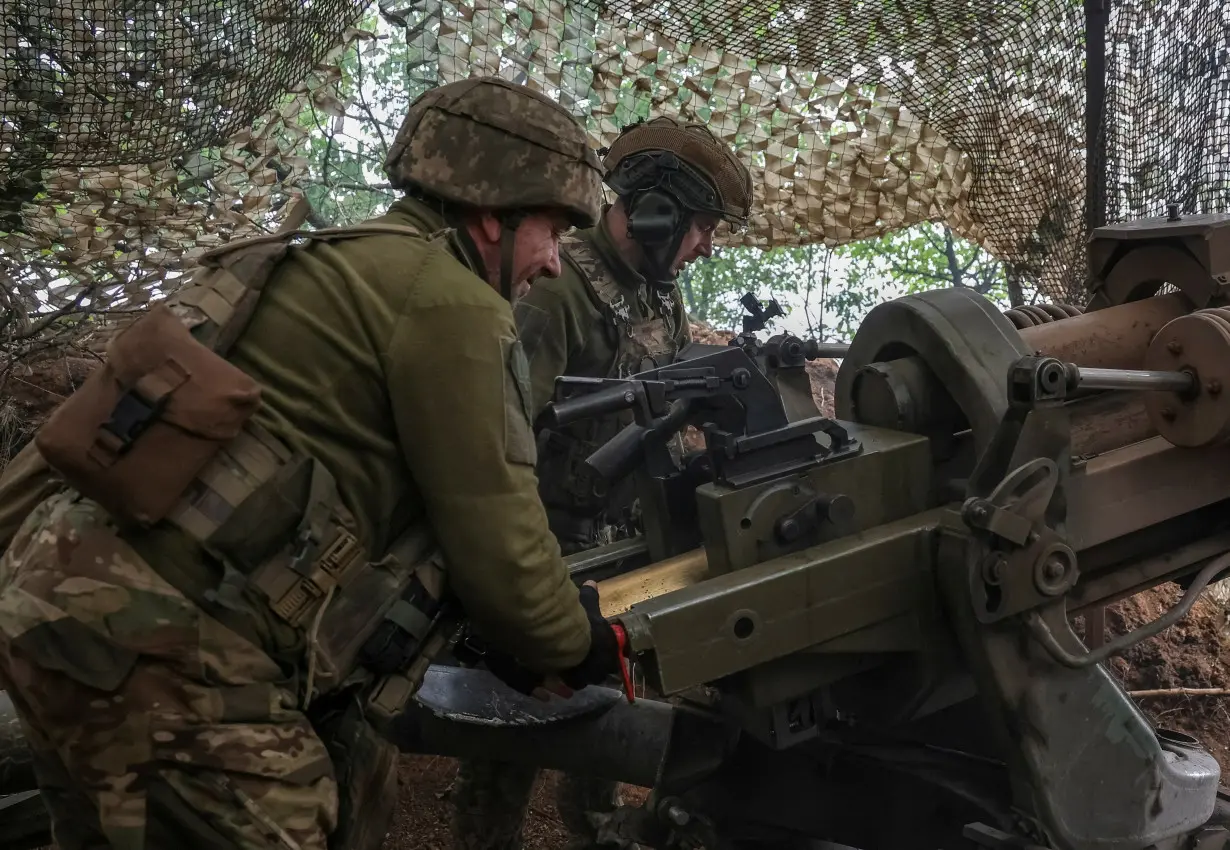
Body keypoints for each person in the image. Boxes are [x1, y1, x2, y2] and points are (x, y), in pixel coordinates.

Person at [0, 76, 622, 850]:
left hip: (54, 590)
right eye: (553, 233)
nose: (556, 264)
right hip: (160, 638)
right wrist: (575, 642)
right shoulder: (455, 305)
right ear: (495, 214)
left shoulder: (332, 261)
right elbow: (501, 546)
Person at [450, 116, 753, 850]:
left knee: (607, 708)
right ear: (658, 214)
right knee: (514, 728)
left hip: (623, 543)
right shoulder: (557, 295)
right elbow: (502, 441)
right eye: (704, 226)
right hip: (548, 549)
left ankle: (594, 827)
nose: (708, 244)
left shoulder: (657, 292)